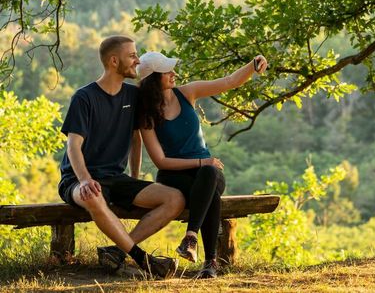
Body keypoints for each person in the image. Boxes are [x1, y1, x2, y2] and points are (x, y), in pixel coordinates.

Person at [58, 35, 186, 278]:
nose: (137, 60)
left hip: (117, 178)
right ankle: (144, 260)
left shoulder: (132, 95)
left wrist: (135, 179)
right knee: (94, 195)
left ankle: (116, 252)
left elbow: (136, 139)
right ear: (114, 61)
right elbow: (73, 146)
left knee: (175, 198)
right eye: (132, 55)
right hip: (77, 180)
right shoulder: (84, 98)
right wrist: (85, 180)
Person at [137, 51, 268, 279]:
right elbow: (160, 161)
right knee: (209, 191)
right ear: (153, 79)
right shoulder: (146, 115)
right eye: (167, 71)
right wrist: (201, 160)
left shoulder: (187, 93)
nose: (173, 73)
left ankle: (190, 237)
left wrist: (253, 65)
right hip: (173, 178)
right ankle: (210, 263)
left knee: (208, 175)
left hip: (206, 173)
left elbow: (230, 82)